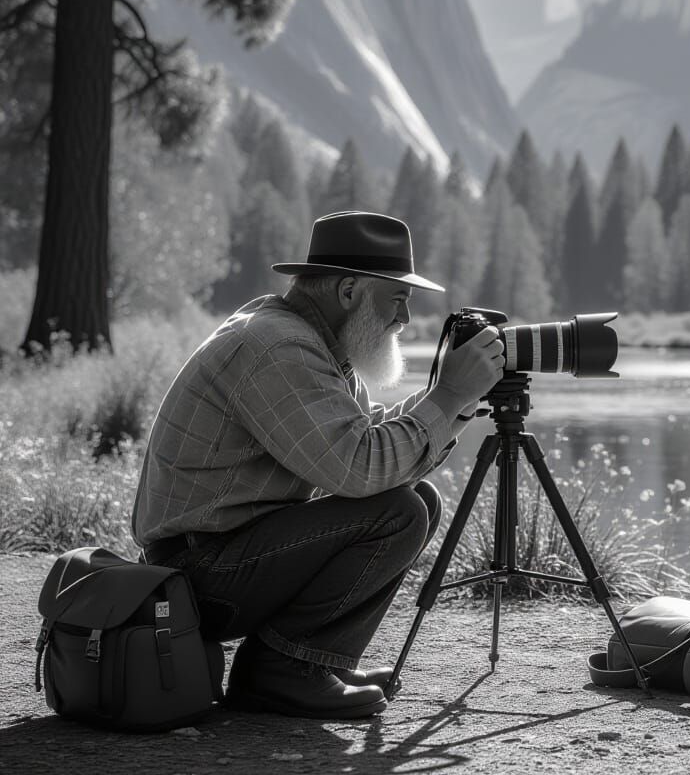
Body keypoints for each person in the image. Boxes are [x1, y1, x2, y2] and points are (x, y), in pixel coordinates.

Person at [131, 211, 505, 719]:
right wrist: (449, 392)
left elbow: (359, 438)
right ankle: (283, 671)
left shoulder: (308, 341)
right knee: (398, 511)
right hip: (196, 575)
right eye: (398, 298)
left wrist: (455, 403)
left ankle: (303, 662)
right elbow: (359, 467)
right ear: (349, 291)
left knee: (416, 498)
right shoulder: (278, 347)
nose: (405, 319)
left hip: (221, 558)